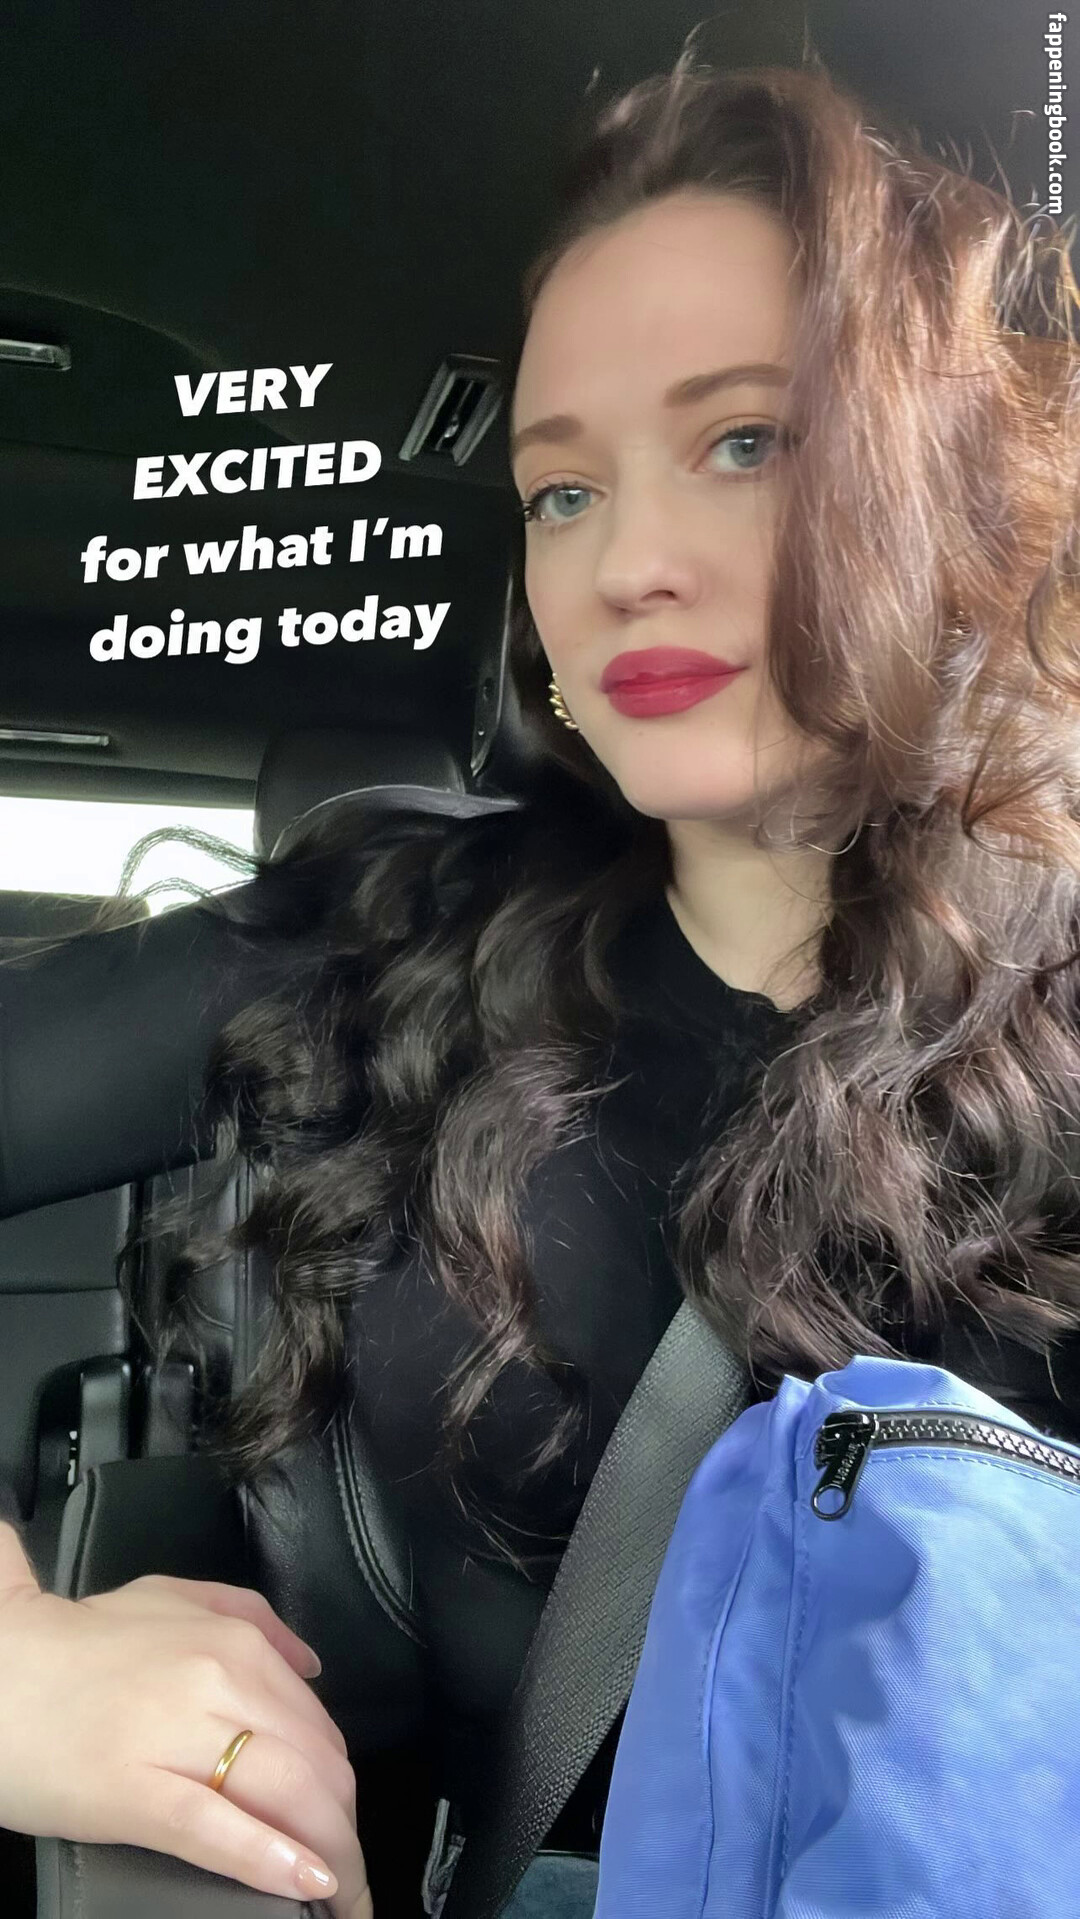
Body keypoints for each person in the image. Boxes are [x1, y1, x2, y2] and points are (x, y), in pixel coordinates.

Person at [1, 50, 1079, 1919]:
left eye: (746, 443)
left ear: (945, 479)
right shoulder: (376, 945)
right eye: (562, 490)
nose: (627, 563)